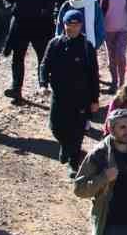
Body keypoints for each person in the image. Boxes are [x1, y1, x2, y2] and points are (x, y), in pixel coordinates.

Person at [40, 9, 102, 171]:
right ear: (64, 24)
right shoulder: (55, 44)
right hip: (60, 96)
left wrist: (95, 99)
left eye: (76, 24)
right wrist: (43, 83)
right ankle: (66, 148)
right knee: (56, 127)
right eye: (69, 24)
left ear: (81, 26)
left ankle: (73, 164)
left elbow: (94, 75)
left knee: (77, 131)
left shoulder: (87, 47)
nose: (72, 28)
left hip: (81, 97)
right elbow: (45, 65)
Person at [2, 0, 52, 104]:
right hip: (20, 24)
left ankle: (43, 85)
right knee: (17, 57)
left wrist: (46, 11)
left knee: (43, 57)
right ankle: (16, 90)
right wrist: (12, 8)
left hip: (40, 24)